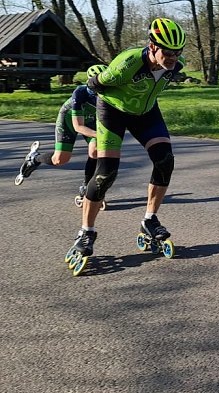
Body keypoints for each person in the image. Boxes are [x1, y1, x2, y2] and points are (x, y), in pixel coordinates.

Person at [68, 18, 187, 262]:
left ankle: (150, 220)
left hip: (146, 114)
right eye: (168, 51)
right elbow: (95, 84)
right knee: (106, 173)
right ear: (152, 46)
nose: (173, 57)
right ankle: (85, 232)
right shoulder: (128, 62)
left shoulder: (175, 66)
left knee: (165, 161)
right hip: (113, 112)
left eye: (178, 52)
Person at [15, 64, 108, 198]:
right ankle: (34, 159)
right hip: (70, 119)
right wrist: (100, 134)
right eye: (98, 84)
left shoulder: (112, 91)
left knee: (95, 150)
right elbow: (78, 126)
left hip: (92, 120)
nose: (102, 88)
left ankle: (86, 187)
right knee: (60, 160)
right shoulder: (80, 92)